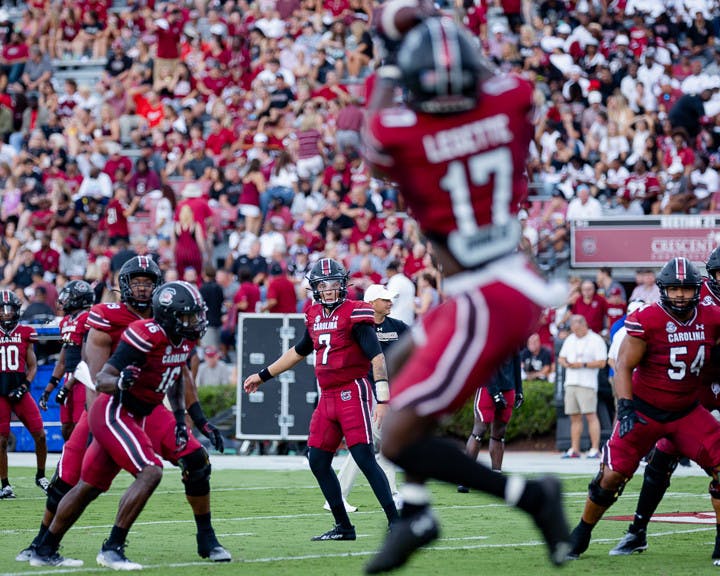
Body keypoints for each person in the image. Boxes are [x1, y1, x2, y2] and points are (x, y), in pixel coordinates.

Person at [362, 15, 570, 573]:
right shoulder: (510, 102)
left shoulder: (408, 135)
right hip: (495, 283)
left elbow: (365, 137)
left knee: (395, 437)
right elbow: (510, 82)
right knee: (399, 364)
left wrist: (386, 53)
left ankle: (530, 497)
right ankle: (416, 509)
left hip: (488, 295)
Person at [18, 257, 228, 565]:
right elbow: (97, 373)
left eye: (148, 282)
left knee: (197, 460)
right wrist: (96, 420)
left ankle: (207, 540)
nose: (142, 288)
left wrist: (198, 420)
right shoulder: (108, 317)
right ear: (124, 285)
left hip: (148, 406)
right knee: (70, 480)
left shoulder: (175, 324)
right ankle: (41, 544)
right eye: (137, 282)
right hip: (109, 403)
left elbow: (178, 374)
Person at [567, 257, 720, 564]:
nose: (679, 295)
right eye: (674, 289)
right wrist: (624, 408)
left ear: (696, 289)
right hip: (645, 410)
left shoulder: (713, 316)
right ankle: (581, 533)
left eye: (685, 289)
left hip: (687, 411)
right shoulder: (648, 318)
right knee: (611, 476)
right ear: (663, 290)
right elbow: (623, 364)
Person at [244, 258, 399, 541]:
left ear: (344, 284)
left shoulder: (355, 312)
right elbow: (299, 350)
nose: (329, 290)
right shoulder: (313, 313)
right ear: (315, 288)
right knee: (317, 460)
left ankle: (396, 523)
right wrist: (263, 375)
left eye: (334, 284)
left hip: (352, 391)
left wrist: (383, 398)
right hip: (327, 396)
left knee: (364, 458)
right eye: (323, 285)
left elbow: (376, 356)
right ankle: (344, 526)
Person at [324, 283, 408, 512]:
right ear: (371, 303)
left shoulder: (398, 327)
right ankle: (345, 494)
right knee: (371, 444)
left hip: (389, 396)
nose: (390, 302)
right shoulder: (360, 327)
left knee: (374, 445)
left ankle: (342, 494)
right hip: (366, 394)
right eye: (385, 299)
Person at [0, 290, 49, 499]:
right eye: (2, 309)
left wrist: (25, 385)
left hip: (21, 392)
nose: (6, 313)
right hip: (0, 394)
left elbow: (32, 365)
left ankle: (40, 476)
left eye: (9, 309)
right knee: (1, 441)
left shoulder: (26, 332)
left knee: (40, 436)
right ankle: (5, 484)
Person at [458, 351, 523, 491]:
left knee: (500, 433)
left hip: (508, 387)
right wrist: (494, 391)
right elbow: (485, 362)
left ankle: (497, 476)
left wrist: (519, 389)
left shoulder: (513, 332)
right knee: (479, 430)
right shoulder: (492, 330)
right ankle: (465, 476)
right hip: (487, 387)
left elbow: (516, 359)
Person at [39, 280, 94, 441]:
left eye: (69, 296)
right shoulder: (66, 322)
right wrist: (48, 390)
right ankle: (70, 462)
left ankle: (84, 464)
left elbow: (86, 358)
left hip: (84, 379)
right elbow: (63, 360)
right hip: (69, 378)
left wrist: (67, 387)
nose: (64, 299)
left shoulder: (87, 318)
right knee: (66, 428)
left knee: (81, 428)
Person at [557, 315, 608, 459]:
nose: (575, 331)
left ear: (584, 324)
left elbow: (602, 362)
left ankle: (594, 449)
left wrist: (583, 364)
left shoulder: (596, 339)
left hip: (587, 383)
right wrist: (565, 363)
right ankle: (575, 449)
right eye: (573, 328)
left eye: (577, 328)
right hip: (571, 382)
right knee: (574, 417)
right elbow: (561, 357)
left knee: (591, 415)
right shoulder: (570, 339)